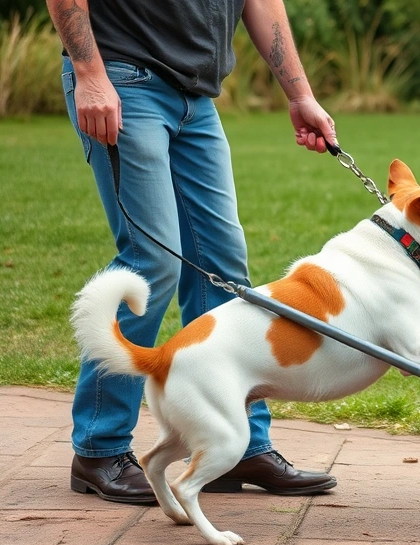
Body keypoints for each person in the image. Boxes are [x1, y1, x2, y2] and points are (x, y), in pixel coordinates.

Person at [48, 0, 338, 503]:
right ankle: (98, 447)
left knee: (224, 269)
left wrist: (301, 94)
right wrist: (89, 72)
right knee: (151, 259)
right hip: (122, 81)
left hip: (197, 99)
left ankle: (236, 444)